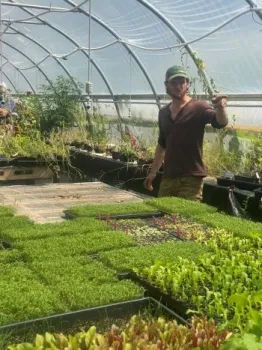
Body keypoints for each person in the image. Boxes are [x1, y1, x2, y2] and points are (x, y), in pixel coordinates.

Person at [144, 65, 228, 201]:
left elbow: (220, 123)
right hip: (168, 178)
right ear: (167, 85)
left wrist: (220, 107)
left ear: (187, 85)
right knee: (163, 216)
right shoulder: (163, 113)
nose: (178, 86)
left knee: (188, 218)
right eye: (174, 82)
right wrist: (153, 173)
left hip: (191, 178)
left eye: (182, 82)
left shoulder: (198, 107)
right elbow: (162, 144)